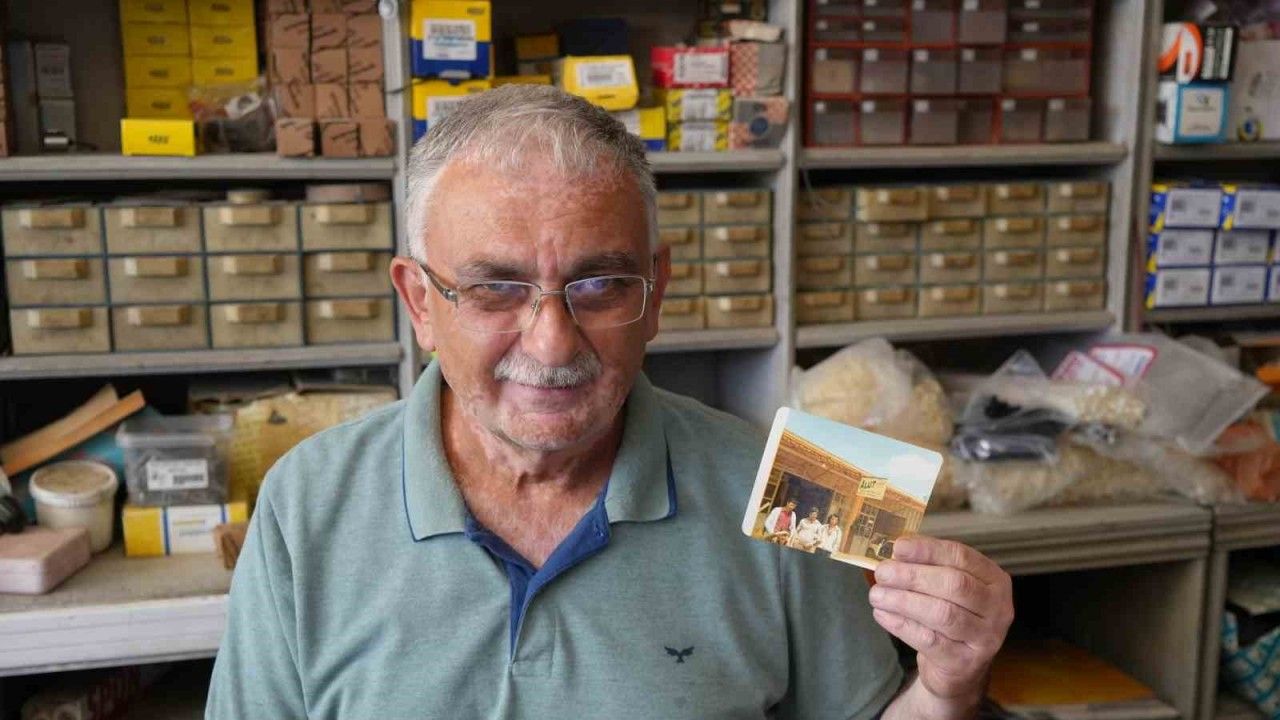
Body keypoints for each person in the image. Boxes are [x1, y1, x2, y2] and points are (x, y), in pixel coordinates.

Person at [206, 85, 1013, 719]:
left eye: (599, 285)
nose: (552, 344)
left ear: (656, 291)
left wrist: (947, 688)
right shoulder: (305, 503)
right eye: (495, 288)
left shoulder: (807, 486)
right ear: (419, 301)